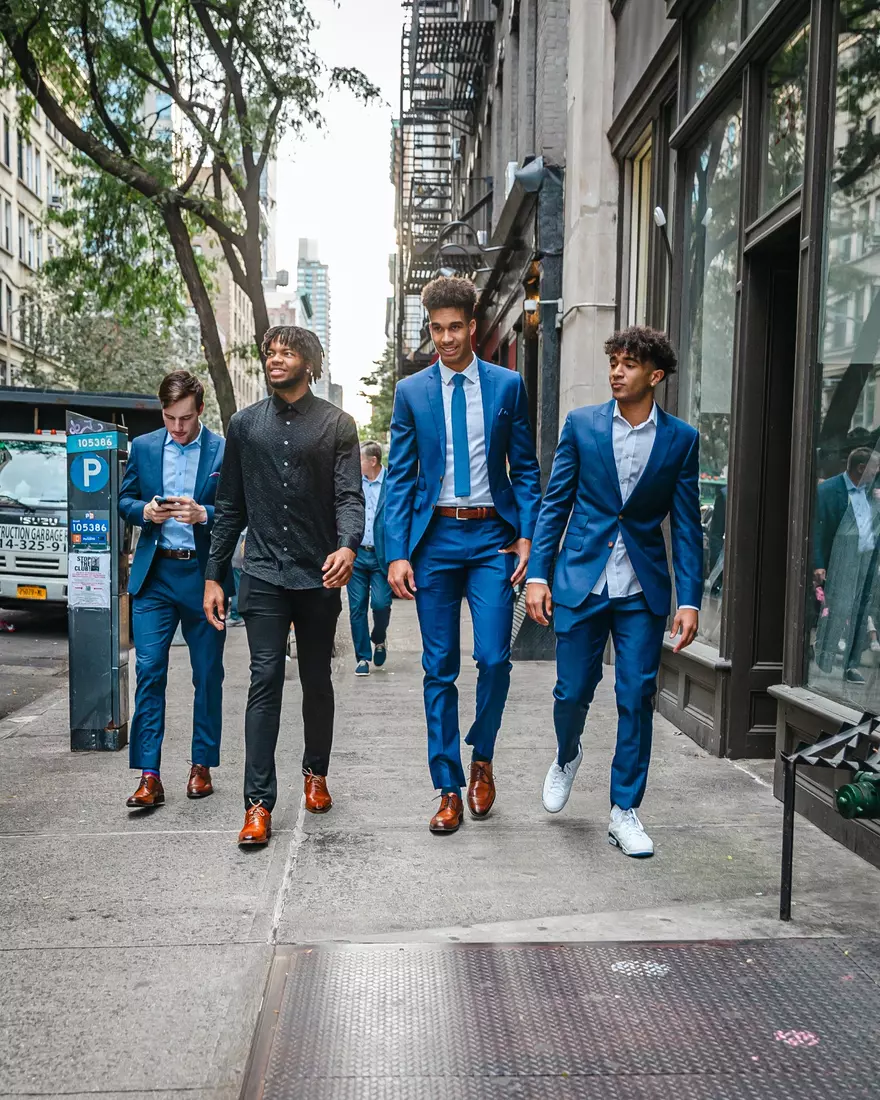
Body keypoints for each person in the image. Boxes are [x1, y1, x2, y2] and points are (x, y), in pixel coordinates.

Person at [525, 326, 702, 858]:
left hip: (642, 590)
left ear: (656, 375)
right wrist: (538, 573)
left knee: (637, 698)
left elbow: (688, 526)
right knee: (571, 692)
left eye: (629, 364)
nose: (617, 372)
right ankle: (567, 753)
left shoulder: (681, 440)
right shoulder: (582, 426)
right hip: (582, 579)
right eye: (614, 363)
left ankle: (624, 809)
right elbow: (555, 505)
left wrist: (689, 600)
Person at [385, 275, 542, 834]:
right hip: (434, 544)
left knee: (496, 658)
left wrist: (527, 536)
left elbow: (524, 468)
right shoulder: (412, 392)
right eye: (436, 329)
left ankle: (482, 757)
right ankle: (447, 786)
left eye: (455, 328)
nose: (446, 339)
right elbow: (400, 477)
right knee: (439, 667)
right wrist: (396, 552)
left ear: (473, 327)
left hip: (492, 539)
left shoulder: (506, 387)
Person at [204, 325, 364, 848]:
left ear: (310, 363)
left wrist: (348, 545)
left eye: (287, 352)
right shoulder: (244, 426)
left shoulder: (338, 424)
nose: (275, 359)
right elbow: (229, 506)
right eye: (270, 352)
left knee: (317, 679)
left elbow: (349, 495)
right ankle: (257, 804)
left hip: (320, 574)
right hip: (265, 574)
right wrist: (214, 574)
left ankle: (315, 773)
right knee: (264, 678)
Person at [119, 370, 230, 810]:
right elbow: (124, 502)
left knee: (207, 675)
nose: (178, 427)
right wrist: (144, 511)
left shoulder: (223, 449)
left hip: (204, 578)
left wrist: (205, 515)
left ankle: (201, 765)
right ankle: (149, 775)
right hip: (155, 578)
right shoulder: (145, 448)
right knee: (150, 672)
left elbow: (238, 511)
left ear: (200, 409)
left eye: (185, 418)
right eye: (169, 418)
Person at [813, 447, 880, 683]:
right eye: (874, 468)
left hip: (868, 560)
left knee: (863, 611)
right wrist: (818, 563)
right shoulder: (829, 491)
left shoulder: (872, 491)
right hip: (841, 561)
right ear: (861, 469)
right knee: (839, 609)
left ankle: (851, 664)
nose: (878, 472)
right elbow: (817, 529)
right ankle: (824, 652)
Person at [348, 441, 392, 676]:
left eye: (360, 460)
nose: (356, 464)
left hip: (381, 556)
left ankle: (379, 637)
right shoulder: (353, 484)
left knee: (381, 603)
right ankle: (363, 657)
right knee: (357, 608)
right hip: (355, 555)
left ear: (372, 461)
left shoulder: (392, 482)